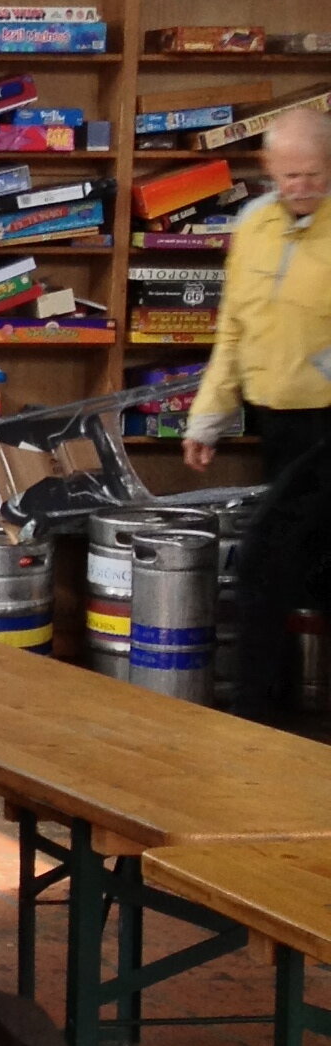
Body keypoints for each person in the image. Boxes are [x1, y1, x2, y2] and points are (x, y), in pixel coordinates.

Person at [185, 105, 331, 719]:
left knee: (264, 566)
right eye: (290, 174)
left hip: (330, 428)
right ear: (268, 168)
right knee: (313, 574)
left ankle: (257, 721)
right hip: (278, 424)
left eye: (315, 174)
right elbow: (234, 332)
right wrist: (207, 418)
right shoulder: (252, 225)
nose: (301, 187)